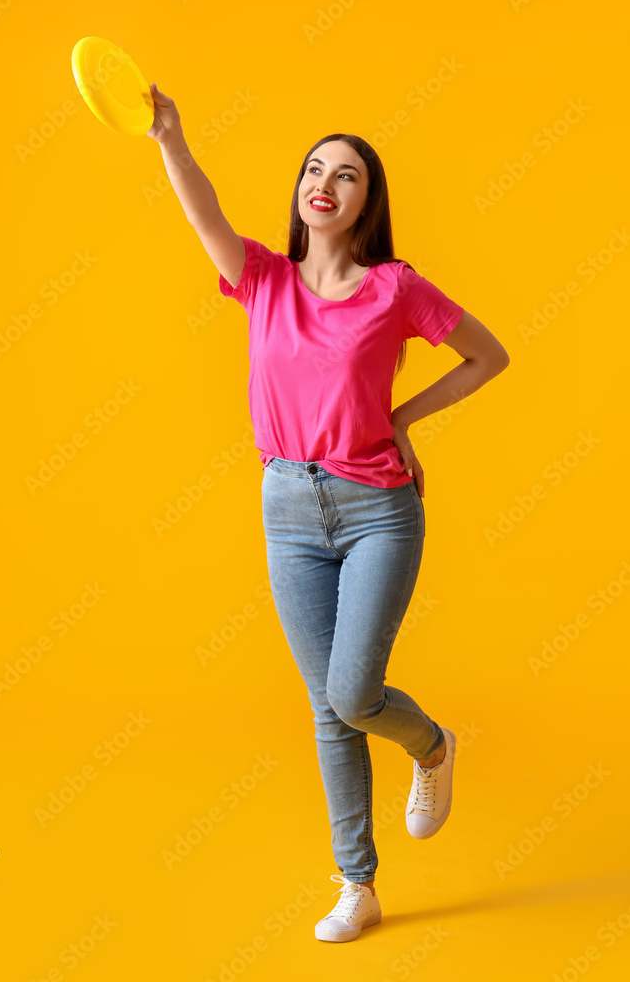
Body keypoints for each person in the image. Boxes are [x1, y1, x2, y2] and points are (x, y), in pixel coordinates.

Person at [147, 84, 510, 943]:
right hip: (287, 508)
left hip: (378, 508)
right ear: (300, 191)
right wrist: (171, 138)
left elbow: (486, 355)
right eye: (314, 169)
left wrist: (402, 418)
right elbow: (201, 209)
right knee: (326, 708)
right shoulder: (260, 278)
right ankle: (358, 884)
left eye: (346, 176)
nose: (326, 184)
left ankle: (429, 745)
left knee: (351, 694)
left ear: (365, 203)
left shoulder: (394, 288)